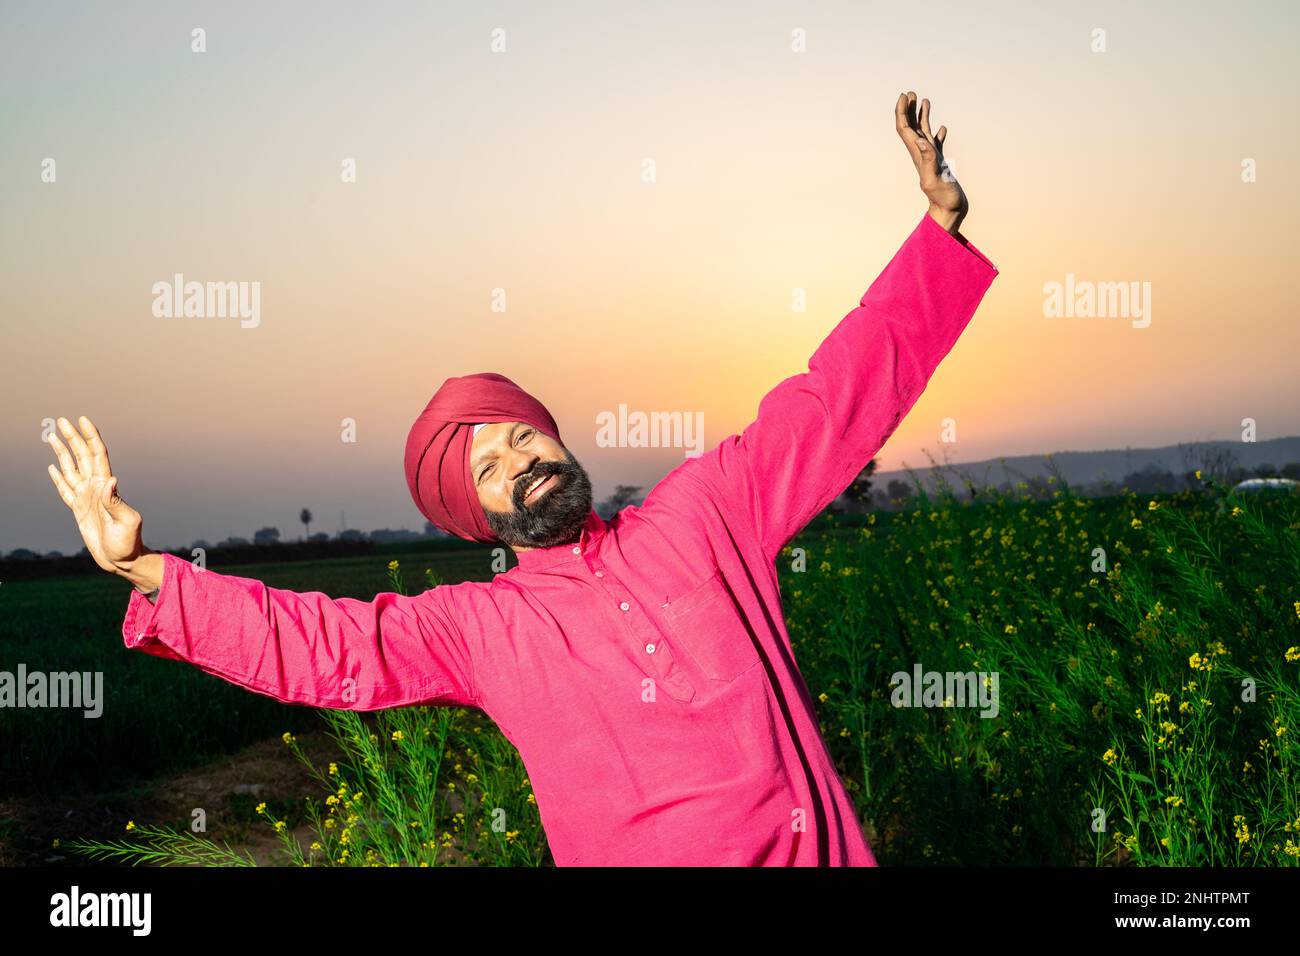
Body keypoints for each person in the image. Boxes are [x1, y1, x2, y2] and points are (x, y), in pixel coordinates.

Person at [47, 92, 998, 865]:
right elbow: (327, 644)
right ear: (482, 518)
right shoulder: (483, 629)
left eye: (519, 436)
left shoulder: (705, 514)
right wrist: (144, 570)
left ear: (555, 438)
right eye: (488, 468)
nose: (519, 462)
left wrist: (937, 230)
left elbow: (830, 400)